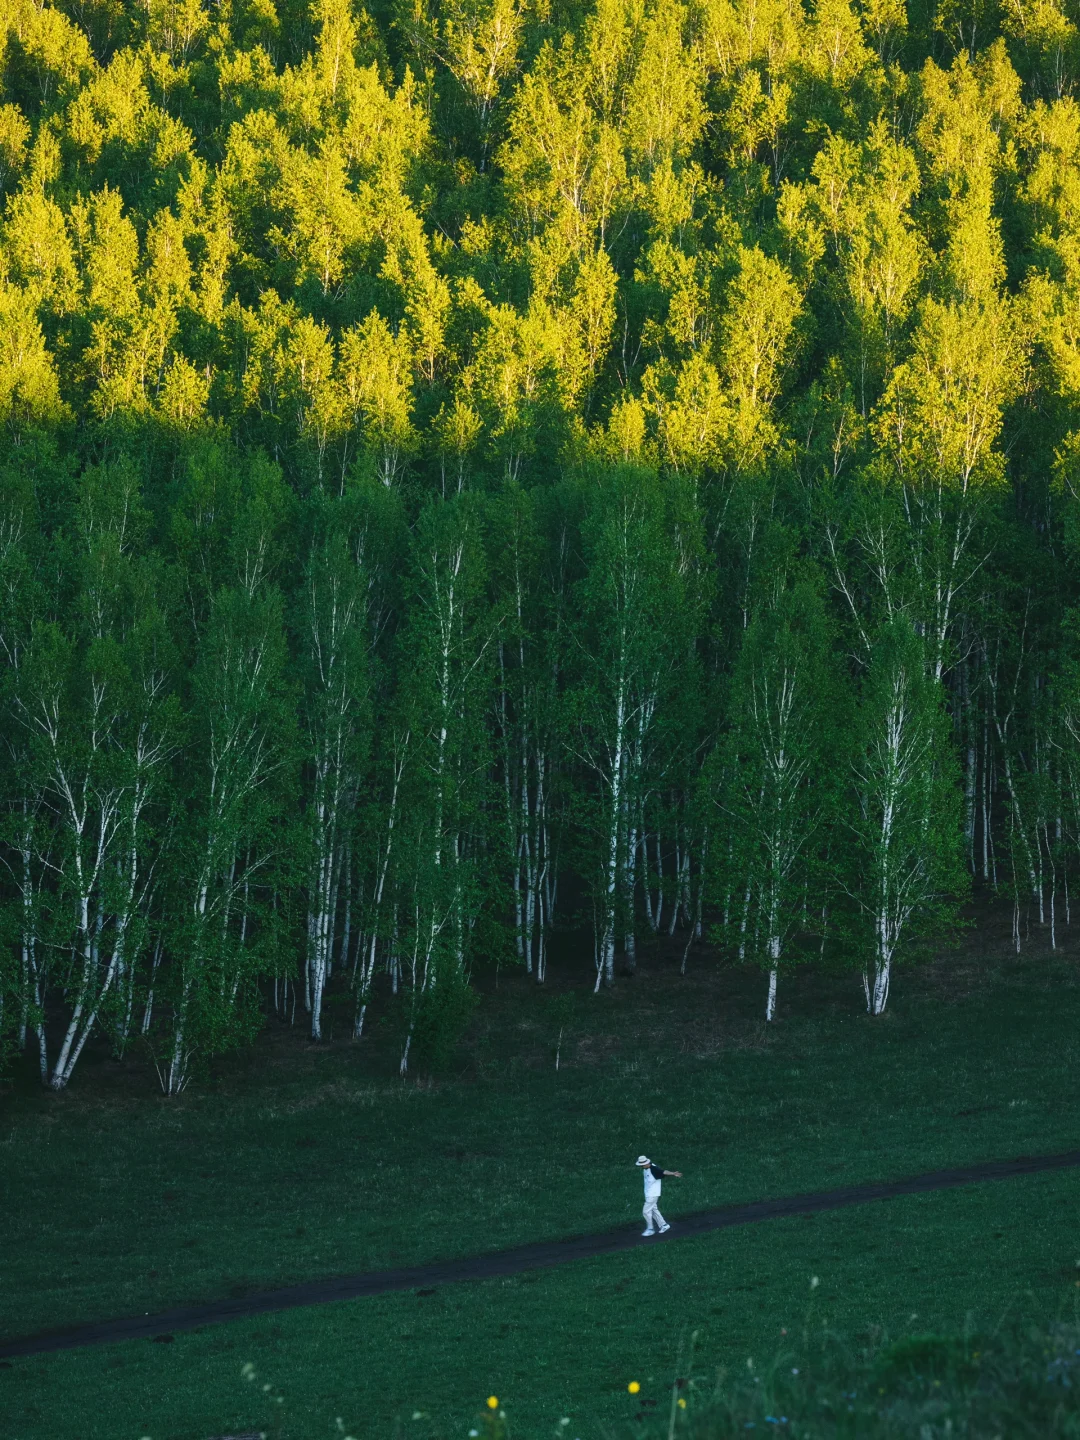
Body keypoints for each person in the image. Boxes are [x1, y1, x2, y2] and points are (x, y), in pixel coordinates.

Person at [635, 1155, 682, 1236]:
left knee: (646, 1212)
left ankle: (650, 1229)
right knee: (654, 1210)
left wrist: (673, 1173)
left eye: (642, 1165)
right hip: (649, 1194)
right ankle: (664, 1225)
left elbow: (663, 1172)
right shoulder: (646, 1168)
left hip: (652, 1195)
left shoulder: (654, 1169)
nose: (641, 1166)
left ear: (647, 1163)